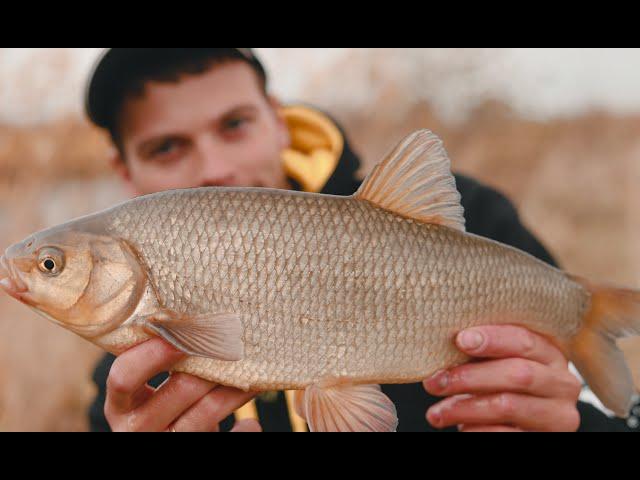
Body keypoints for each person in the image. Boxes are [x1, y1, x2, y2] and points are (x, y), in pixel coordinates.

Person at [85, 48, 637, 432]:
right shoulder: (135, 386)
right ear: (123, 171)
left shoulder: (480, 221)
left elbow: (620, 417)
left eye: (234, 125)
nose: (215, 167)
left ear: (279, 122)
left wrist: (574, 425)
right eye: (167, 148)